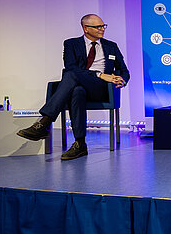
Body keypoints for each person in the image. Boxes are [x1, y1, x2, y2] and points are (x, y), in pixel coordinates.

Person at [17, 14, 130, 160]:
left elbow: (124, 70)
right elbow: (71, 66)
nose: (102, 29)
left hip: (101, 90)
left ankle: (44, 122)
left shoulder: (111, 46)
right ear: (86, 29)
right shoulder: (71, 44)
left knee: (70, 75)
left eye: (103, 26)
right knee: (76, 89)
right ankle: (80, 144)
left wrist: (122, 80)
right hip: (82, 85)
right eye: (98, 27)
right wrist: (99, 74)